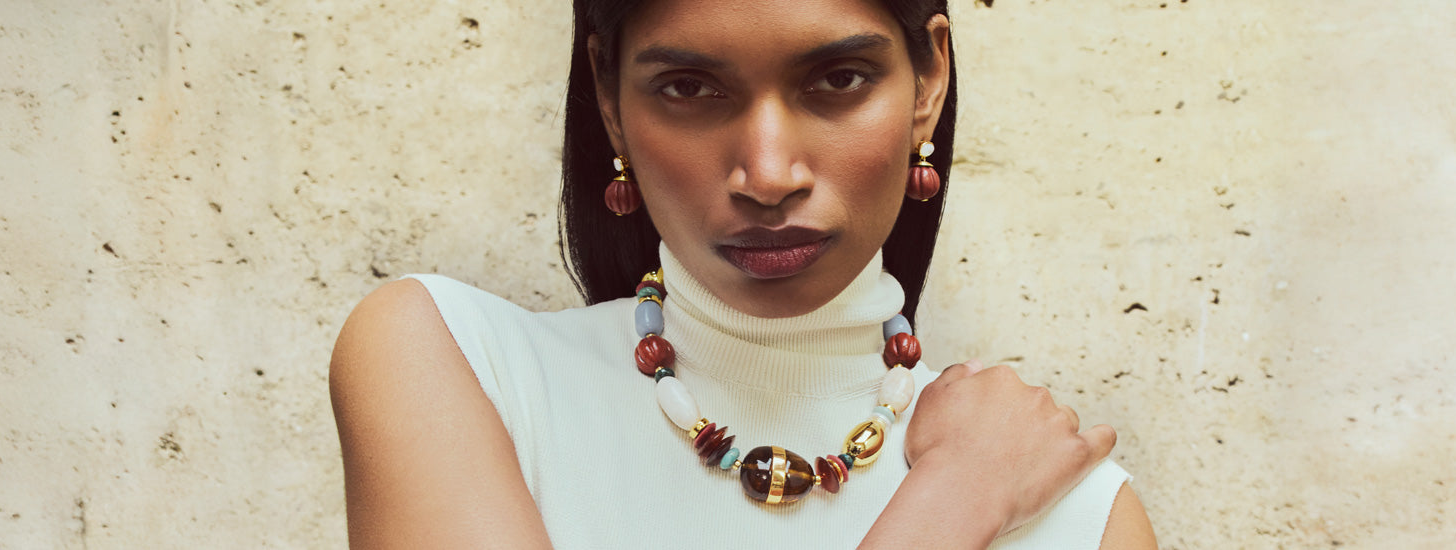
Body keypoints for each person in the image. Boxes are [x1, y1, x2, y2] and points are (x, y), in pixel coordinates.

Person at [330, 0, 1158, 547]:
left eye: (837, 79)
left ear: (927, 83)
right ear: (610, 99)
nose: (767, 174)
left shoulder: (1078, 517)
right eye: (690, 87)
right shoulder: (453, 367)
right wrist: (951, 507)